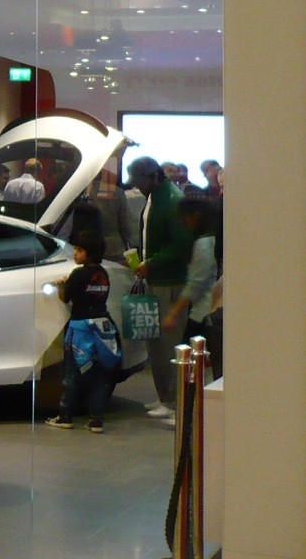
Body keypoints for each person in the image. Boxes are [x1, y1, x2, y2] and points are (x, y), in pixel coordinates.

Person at [129, 155, 190, 423]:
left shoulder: (173, 200)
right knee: (156, 344)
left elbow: (182, 246)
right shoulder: (156, 196)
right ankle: (165, 396)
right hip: (155, 280)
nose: (136, 186)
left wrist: (151, 263)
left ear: (153, 176)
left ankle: (175, 403)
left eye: (139, 181)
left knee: (169, 345)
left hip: (170, 283)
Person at [44, 230, 120, 432]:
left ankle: (65, 416)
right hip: (101, 328)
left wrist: (61, 285)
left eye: (78, 250)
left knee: (72, 374)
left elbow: (65, 298)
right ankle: (96, 419)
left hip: (80, 329)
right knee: (97, 376)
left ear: (89, 253)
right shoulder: (103, 274)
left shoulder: (78, 273)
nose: (74, 253)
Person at [165, 196, 222, 378]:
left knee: (188, 366)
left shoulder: (203, 244)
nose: (183, 222)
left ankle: (189, 397)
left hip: (203, 313)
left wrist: (173, 313)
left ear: (196, 216)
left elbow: (196, 284)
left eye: (185, 217)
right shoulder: (212, 239)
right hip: (208, 311)